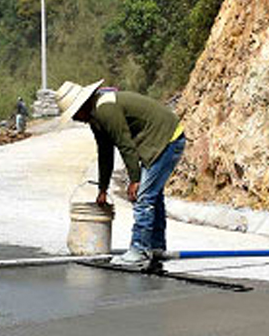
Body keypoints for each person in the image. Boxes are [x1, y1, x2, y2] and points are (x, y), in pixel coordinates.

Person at [55, 80, 186, 270]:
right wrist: (102, 188)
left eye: (75, 114)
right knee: (153, 197)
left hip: (166, 139)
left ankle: (139, 250)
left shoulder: (105, 110)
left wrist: (135, 179)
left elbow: (125, 145)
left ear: (82, 105)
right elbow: (105, 153)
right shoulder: (95, 117)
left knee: (143, 197)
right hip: (160, 141)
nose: (76, 119)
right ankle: (156, 248)